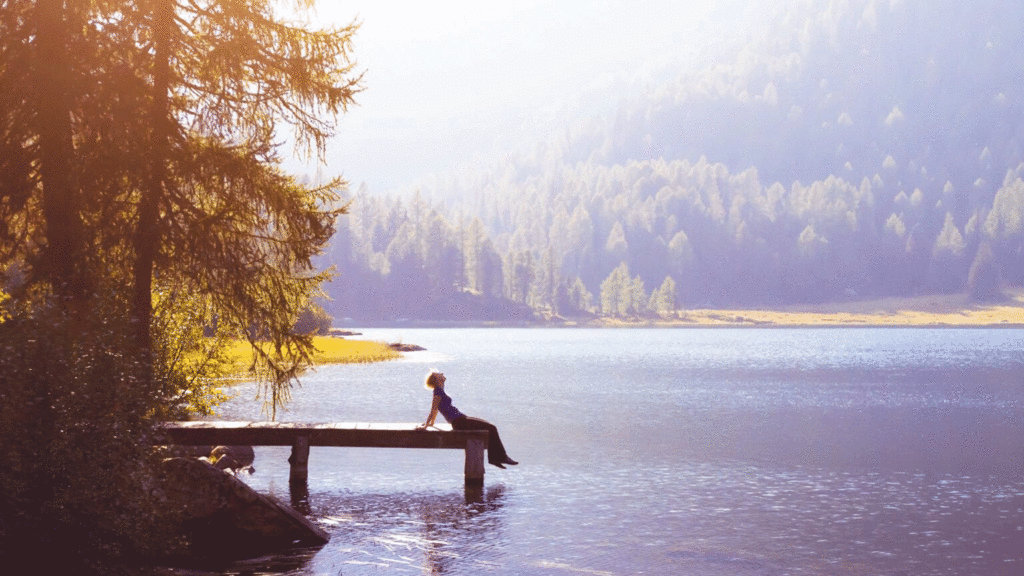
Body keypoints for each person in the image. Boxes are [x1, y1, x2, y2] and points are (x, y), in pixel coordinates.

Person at [416, 371, 518, 469]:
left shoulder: (440, 389)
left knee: (490, 427)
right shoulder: (438, 392)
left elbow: (436, 410)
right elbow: (433, 410)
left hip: (461, 419)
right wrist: (425, 426)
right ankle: (500, 457)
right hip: (459, 422)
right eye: (439, 374)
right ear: (436, 379)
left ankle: (496, 458)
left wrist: (431, 423)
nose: (442, 374)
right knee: (492, 428)